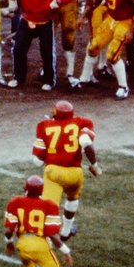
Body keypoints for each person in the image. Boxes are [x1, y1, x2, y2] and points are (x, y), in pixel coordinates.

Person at [9, 0, 79, 90]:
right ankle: (18, 77)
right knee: (18, 49)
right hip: (26, 19)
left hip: (45, 21)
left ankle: (49, 80)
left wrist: (59, 1)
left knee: (47, 52)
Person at [32, 99, 98, 242]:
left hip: (54, 173)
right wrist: (95, 164)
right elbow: (86, 143)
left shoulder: (44, 126)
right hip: (75, 173)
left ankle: (47, 246)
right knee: (73, 199)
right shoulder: (82, 123)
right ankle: (66, 231)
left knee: (49, 211)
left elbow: (37, 162)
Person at [75, 0, 134, 100]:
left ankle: (124, 87)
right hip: (111, 19)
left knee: (112, 55)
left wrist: (131, 30)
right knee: (93, 47)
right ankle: (84, 78)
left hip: (125, 21)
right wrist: (82, 17)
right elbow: (95, 0)